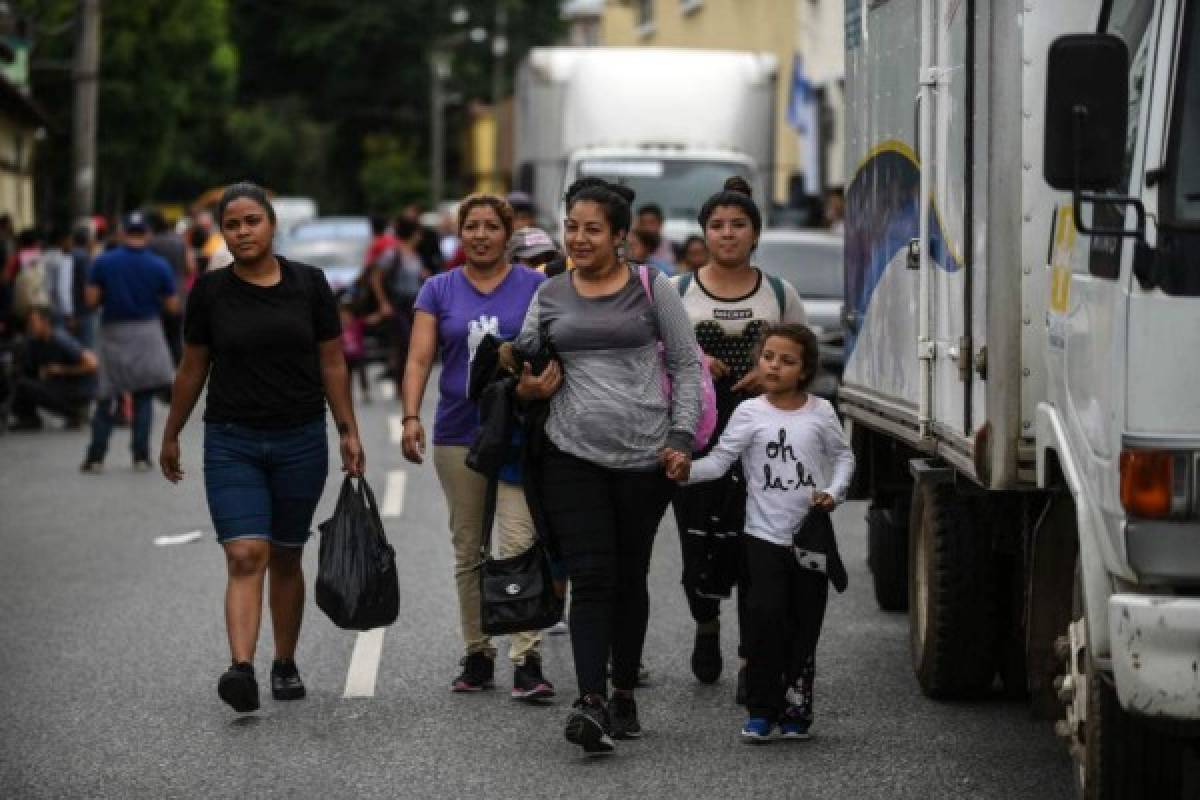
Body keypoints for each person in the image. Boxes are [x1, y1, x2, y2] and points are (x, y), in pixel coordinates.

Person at [514, 178, 703, 755]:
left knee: (629, 575)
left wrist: (680, 437)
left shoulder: (654, 287)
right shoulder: (549, 293)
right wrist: (525, 385)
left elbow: (687, 366)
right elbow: (524, 358)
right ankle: (591, 699)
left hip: (646, 457)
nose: (578, 237)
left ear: (621, 237)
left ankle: (624, 690)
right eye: (571, 226)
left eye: (592, 228)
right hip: (570, 454)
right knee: (592, 578)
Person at [160, 182, 364, 714]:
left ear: (272, 225)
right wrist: (171, 431)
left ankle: (285, 662)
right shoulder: (210, 292)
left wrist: (347, 428)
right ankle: (242, 668)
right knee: (245, 553)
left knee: (287, 554)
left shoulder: (310, 285)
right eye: (233, 224)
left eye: (252, 221)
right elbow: (193, 366)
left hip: (300, 437)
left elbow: (332, 361)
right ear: (221, 232)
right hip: (233, 440)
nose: (243, 231)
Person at [665, 323, 854, 741]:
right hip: (762, 537)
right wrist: (686, 472)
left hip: (808, 539)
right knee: (764, 618)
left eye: (787, 361)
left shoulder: (821, 412)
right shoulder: (749, 412)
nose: (775, 366)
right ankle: (761, 709)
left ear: (804, 370)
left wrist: (832, 492)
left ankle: (796, 709)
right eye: (769, 357)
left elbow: (843, 459)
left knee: (804, 623)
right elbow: (720, 461)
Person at [401, 193, 555, 701]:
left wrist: (537, 391)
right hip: (458, 431)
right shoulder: (438, 288)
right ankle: (477, 652)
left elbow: (555, 353)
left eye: (491, 226)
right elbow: (420, 360)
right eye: (472, 226)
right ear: (459, 233)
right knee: (470, 548)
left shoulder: (536, 286)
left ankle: (526, 657)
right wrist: (409, 416)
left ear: (508, 234)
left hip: (518, 432)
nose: (481, 235)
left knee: (518, 542)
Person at [670, 176, 807, 698]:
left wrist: (769, 376)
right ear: (704, 233)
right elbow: (653, 356)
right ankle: (707, 624)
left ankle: (754, 660)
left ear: (755, 233)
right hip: (698, 434)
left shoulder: (778, 293)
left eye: (738, 225)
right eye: (717, 225)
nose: (727, 234)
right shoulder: (678, 291)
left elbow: (803, 359)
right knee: (696, 548)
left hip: (764, 438)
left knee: (760, 551)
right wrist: (694, 363)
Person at [81, 212, 179, 473]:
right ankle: (141, 456)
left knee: (107, 396)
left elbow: (91, 302)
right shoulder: (159, 266)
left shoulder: (102, 263)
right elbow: (172, 306)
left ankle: (96, 457)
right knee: (144, 396)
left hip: (113, 332)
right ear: (146, 234)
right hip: (147, 332)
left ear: (123, 233)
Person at [7, 305, 96, 430]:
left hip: (77, 390)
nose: (30, 326)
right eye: (29, 322)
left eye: (33, 322)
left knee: (23, 384)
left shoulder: (60, 339)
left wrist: (62, 369)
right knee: (18, 380)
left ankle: (77, 412)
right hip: (58, 386)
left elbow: (93, 364)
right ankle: (29, 419)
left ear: (45, 322)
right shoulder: (33, 342)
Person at [148, 210, 195, 365]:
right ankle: (178, 373)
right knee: (176, 338)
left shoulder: (151, 243)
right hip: (180, 295)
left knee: (159, 338)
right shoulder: (180, 240)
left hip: (157, 297)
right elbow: (190, 267)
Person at [69, 225, 97, 348]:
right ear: (88, 241)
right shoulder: (84, 258)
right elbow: (88, 284)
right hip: (83, 311)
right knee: (87, 348)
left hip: (71, 309)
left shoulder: (69, 255)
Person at [634, 202, 676, 273]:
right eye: (643, 223)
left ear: (661, 223)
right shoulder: (632, 246)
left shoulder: (674, 247)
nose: (647, 227)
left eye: (651, 222)